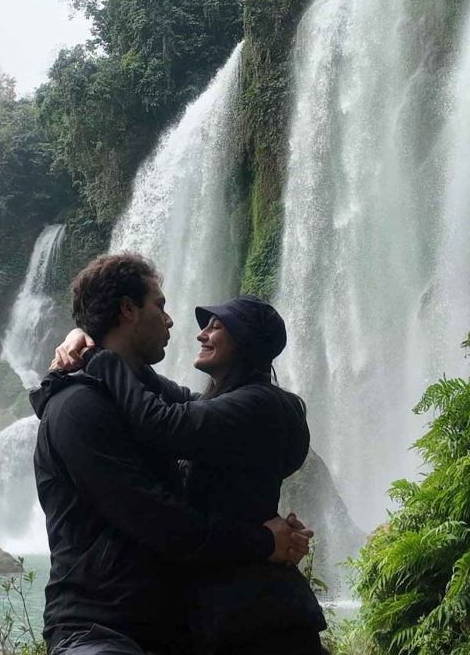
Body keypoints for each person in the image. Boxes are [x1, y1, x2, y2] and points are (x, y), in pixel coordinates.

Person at [31, 253, 314, 655]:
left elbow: (163, 414)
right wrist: (262, 540)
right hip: (98, 629)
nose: (173, 322)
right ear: (127, 309)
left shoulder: (233, 406)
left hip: (182, 626)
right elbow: (160, 519)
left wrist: (92, 351)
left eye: (217, 326)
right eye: (160, 306)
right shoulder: (80, 408)